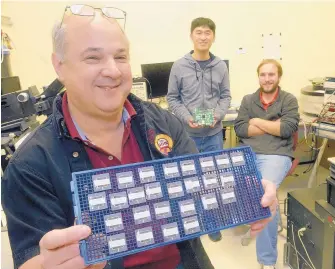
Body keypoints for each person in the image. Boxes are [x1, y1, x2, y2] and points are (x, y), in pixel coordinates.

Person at [1, 6, 277, 269]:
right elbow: (31, 258)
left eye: (120, 57)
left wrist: (251, 192)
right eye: (93, 57)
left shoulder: (163, 124)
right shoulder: (30, 165)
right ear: (59, 66)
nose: (113, 70)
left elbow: (202, 189)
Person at [167, 17, 231, 242]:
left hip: (213, 135)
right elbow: (172, 98)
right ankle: (192, 224)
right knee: (189, 182)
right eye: (199, 32)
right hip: (188, 136)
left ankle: (212, 223)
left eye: (207, 33)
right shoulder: (179, 66)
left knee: (212, 181)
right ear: (191, 35)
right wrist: (186, 117)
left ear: (213, 36)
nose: (203, 37)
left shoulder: (220, 65)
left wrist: (217, 115)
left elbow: (225, 96)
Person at [234, 59, 299, 269]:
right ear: (258, 76)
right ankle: (268, 222)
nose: (267, 79)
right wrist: (273, 125)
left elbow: (287, 129)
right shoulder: (248, 100)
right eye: (263, 74)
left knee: (264, 200)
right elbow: (241, 129)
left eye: (271, 74)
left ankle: (267, 261)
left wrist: (257, 122)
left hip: (277, 154)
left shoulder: (289, 99)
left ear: (278, 76)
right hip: (249, 153)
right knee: (236, 186)